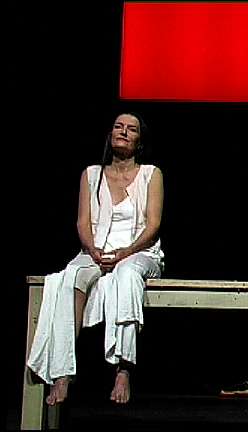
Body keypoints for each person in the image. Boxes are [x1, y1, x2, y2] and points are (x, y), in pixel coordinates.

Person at [27, 112, 164, 406]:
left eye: (131, 129)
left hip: (139, 252)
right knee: (69, 278)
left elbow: (153, 225)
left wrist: (125, 253)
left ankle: (123, 368)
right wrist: (92, 250)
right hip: (95, 251)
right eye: (118, 127)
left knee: (127, 275)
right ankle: (62, 371)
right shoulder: (91, 174)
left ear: (140, 141)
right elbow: (83, 222)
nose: (123, 132)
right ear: (110, 134)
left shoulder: (151, 174)